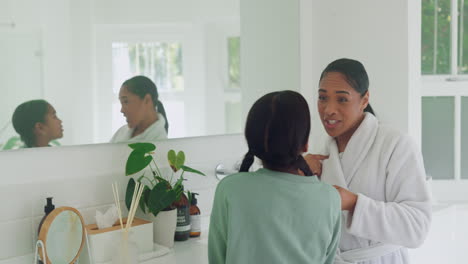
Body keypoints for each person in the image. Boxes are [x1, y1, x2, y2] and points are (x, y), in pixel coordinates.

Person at [305, 58, 431, 264]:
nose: (328, 109)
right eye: (322, 98)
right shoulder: (318, 150)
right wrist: (295, 175)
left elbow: (417, 227)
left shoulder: (395, 144)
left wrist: (354, 203)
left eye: (342, 99)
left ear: (364, 100)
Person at [208, 91, 341, 264]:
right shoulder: (329, 197)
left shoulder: (230, 190)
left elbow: (217, 258)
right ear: (305, 142)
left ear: (252, 141)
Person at [110, 75, 169, 143]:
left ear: (147, 100)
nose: (122, 110)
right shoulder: (121, 132)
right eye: (121, 103)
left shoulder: (159, 141)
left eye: (126, 101)